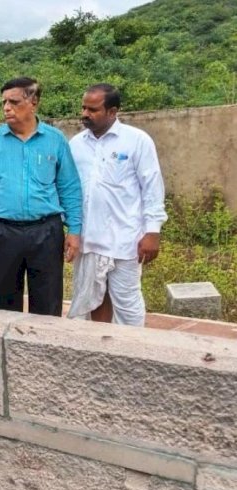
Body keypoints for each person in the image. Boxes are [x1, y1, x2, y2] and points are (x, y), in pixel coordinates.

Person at [0, 77, 83, 316]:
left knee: (47, 301)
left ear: (34, 102)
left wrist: (74, 229)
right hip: (1, 232)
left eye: (14, 102)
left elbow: (69, 187)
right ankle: (5, 353)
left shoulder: (55, 140)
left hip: (46, 232)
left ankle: (44, 351)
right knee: (1, 304)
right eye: (4, 103)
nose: (6, 108)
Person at [67, 83, 167, 325]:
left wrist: (152, 232)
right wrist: (71, 230)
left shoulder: (137, 141)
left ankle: (131, 353)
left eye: (93, 109)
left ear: (113, 112)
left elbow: (152, 186)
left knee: (127, 301)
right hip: (88, 238)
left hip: (126, 239)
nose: (85, 114)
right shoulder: (76, 144)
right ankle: (101, 351)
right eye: (83, 108)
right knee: (92, 298)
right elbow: (70, 191)